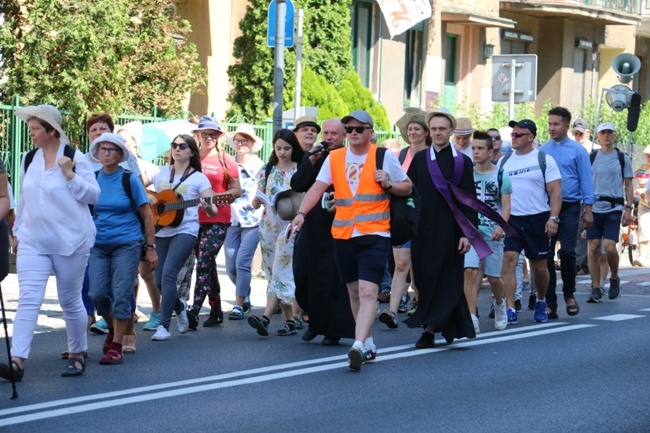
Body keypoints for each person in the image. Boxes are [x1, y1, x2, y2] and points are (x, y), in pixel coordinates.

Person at [291, 110, 410, 370]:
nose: (353, 133)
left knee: (369, 291)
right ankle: (367, 342)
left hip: (375, 233)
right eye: (350, 129)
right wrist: (301, 214)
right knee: (354, 292)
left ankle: (357, 345)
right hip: (344, 234)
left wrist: (389, 183)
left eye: (359, 129)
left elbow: (407, 186)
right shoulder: (335, 158)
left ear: (370, 132)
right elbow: (316, 188)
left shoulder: (383, 156)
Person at [0, 105, 100, 380]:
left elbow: (93, 195)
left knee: (69, 299)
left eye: (35, 129)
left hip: (70, 240)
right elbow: (24, 198)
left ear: (51, 131)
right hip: (33, 239)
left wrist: (70, 175)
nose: (30, 133)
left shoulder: (74, 157)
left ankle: (77, 354)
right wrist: (17, 232)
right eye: (30, 128)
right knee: (29, 299)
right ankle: (17, 361)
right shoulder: (29, 157)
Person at [403, 108, 477, 348]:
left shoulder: (462, 162)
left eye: (442, 129)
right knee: (424, 278)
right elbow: (409, 192)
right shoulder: (420, 159)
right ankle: (447, 324)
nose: (437, 133)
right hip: (423, 228)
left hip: (450, 231)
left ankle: (430, 329)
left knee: (446, 278)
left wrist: (467, 233)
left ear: (451, 131)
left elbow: (468, 199)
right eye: (433, 129)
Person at [87, 133, 157, 364]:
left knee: (120, 293)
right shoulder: (93, 178)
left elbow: (147, 215)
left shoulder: (129, 179)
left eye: (111, 150)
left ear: (119, 154)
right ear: (97, 154)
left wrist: (150, 248)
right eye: (103, 149)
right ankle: (113, 330)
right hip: (98, 244)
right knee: (97, 293)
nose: (106, 153)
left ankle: (116, 344)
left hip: (127, 244)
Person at [144, 134, 218, 341]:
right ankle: (180, 306)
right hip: (161, 229)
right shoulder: (159, 173)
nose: (177, 149)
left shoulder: (198, 178)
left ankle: (164, 327)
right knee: (159, 280)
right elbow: (135, 185)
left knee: (168, 275)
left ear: (191, 151)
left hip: (186, 231)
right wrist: (146, 194)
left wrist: (209, 207)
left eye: (182, 146)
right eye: (174, 145)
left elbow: (212, 206)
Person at [291, 118, 355, 346]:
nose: (328, 138)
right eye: (326, 133)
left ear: (344, 136)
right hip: (312, 223)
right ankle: (313, 320)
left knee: (331, 279)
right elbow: (298, 184)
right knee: (303, 272)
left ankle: (331, 329)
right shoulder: (315, 156)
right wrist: (310, 161)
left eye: (333, 134)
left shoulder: (349, 158)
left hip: (338, 225)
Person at [499, 119, 562, 325]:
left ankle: (542, 300)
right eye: (512, 134)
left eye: (518, 134)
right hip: (512, 219)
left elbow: (555, 193)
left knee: (539, 267)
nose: (513, 137)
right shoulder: (504, 161)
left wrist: (553, 218)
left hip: (538, 218)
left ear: (530, 138)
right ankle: (510, 307)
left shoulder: (544, 159)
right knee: (509, 260)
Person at [247, 129, 305, 336]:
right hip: (268, 226)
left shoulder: (300, 169)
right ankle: (290, 321)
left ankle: (266, 317)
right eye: (278, 148)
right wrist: (256, 201)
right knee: (272, 272)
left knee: (282, 268)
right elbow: (256, 200)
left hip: (290, 226)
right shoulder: (267, 169)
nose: (282, 152)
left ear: (293, 148)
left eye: (286, 148)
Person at [186, 116, 241, 329]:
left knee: (204, 263)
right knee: (208, 267)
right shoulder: (191, 158)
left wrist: (215, 198)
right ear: (198, 136)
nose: (209, 137)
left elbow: (237, 191)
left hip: (218, 219)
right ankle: (216, 311)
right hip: (192, 219)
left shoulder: (225, 159)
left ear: (219, 136)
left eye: (213, 134)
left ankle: (194, 311)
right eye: (205, 134)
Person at [540, 107, 594, 318]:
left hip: (571, 206)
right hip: (545, 207)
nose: (552, 128)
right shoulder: (542, 150)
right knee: (545, 256)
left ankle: (569, 294)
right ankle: (550, 302)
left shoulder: (578, 151)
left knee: (569, 253)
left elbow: (586, 181)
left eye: (556, 124)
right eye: (550, 123)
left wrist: (588, 210)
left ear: (566, 126)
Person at [378, 108, 429, 329]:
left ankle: (422, 302)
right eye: (410, 129)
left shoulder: (433, 154)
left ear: (426, 132)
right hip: (404, 215)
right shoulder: (399, 155)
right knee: (401, 264)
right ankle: (392, 310)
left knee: (419, 265)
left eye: (417, 128)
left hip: (427, 216)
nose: (413, 132)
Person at [116, 121, 162, 336]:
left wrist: (149, 195)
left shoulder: (147, 167)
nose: (122, 143)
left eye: (125, 139)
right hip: (123, 226)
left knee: (146, 273)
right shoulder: (113, 164)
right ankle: (127, 314)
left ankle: (157, 310)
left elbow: (158, 194)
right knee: (128, 274)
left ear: (135, 143)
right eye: (119, 139)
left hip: (142, 224)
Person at [463, 131, 511, 333]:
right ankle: (472, 316)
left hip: (493, 233)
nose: (475, 152)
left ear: (490, 152)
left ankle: (500, 304)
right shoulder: (467, 174)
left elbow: (506, 206)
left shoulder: (501, 174)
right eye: (473, 148)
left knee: (493, 277)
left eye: (480, 148)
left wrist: (501, 226)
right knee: (470, 272)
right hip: (472, 232)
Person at [586, 122, 633, 302]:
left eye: (609, 132)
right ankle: (596, 287)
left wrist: (628, 208)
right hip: (594, 207)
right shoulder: (591, 158)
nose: (606, 135)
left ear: (614, 135)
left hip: (614, 207)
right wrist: (585, 208)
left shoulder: (622, 158)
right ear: (597, 135)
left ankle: (614, 277)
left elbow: (628, 185)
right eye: (603, 132)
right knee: (593, 247)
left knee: (609, 247)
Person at [224, 123, 265, 320]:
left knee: (243, 263)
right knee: (231, 267)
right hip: (231, 219)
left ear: (252, 143)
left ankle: (238, 305)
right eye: (238, 140)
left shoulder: (259, 166)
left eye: (245, 140)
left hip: (253, 220)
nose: (241, 144)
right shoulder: (228, 163)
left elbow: (264, 189)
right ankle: (245, 292)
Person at [634, 145, 650, 262]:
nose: (648, 158)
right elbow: (629, 181)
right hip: (645, 205)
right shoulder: (640, 169)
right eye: (647, 155)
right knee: (643, 227)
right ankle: (642, 257)